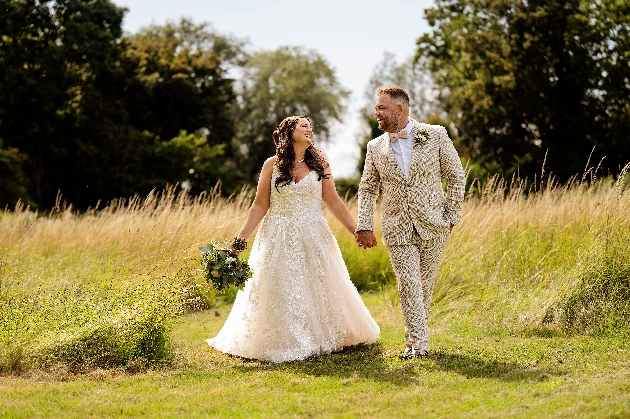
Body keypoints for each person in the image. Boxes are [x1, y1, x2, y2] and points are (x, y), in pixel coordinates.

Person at [207, 116, 380, 363]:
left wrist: (357, 230)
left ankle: (322, 334)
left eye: (311, 126)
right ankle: (279, 339)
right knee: (279, 285)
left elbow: (333, 202)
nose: (310, 129)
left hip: (313, 234)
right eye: (303, 126)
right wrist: (239, 242)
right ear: (289, 132)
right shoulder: (272, 165)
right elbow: (259, 206)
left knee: (318, 284)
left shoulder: (321, 164)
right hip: (277, 235)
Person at [355, 86, 465, 359]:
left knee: (424, 288)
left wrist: (451, 217)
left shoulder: (436, 134)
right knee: (409, 285)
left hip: (435, 225)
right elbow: (368, 188)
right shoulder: (374, 147)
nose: (376, 113)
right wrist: (365, 223)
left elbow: (456, 176)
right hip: (397, 228)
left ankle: (412, 341)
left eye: (381, 108)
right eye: (377, 108)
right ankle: (419, 347)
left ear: (398, 109)